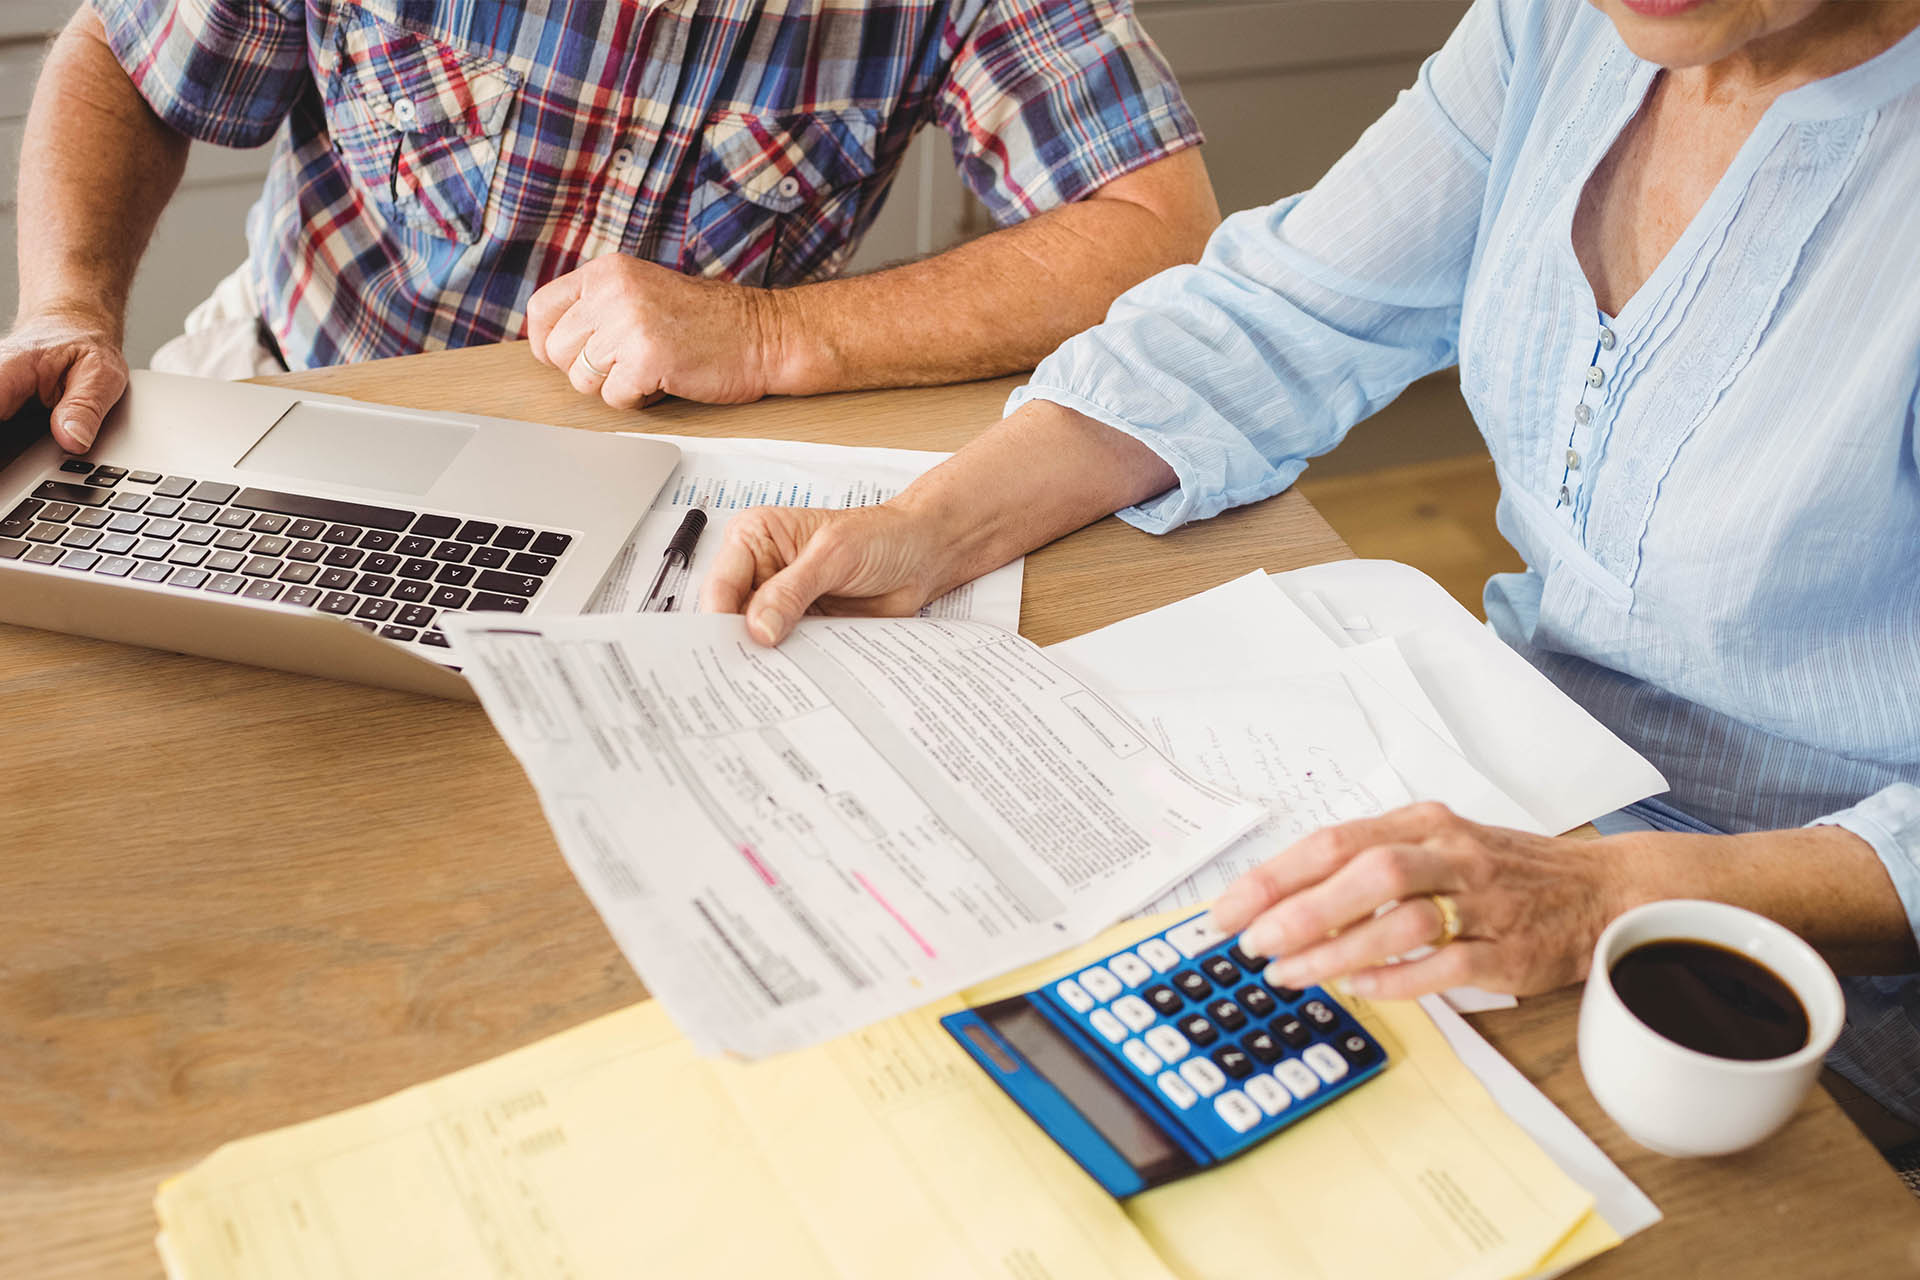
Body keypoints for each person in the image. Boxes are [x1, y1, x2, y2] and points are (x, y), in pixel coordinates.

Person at [702, 0, 1920, 1124]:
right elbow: (1286, 313)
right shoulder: (1556, 27)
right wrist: (929, 522)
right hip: (1510, 802)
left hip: (1805, 989)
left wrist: (1606, 892)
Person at [0, 0, 1218, 453]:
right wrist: (68, 302)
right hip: (294, 403)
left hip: (683, 477)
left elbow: (1155, 226)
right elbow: (126, 56)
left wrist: (769, 333)